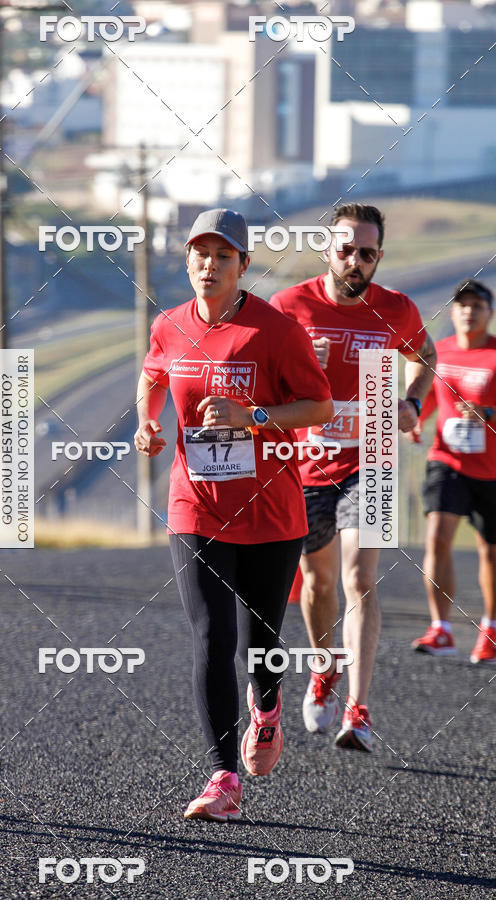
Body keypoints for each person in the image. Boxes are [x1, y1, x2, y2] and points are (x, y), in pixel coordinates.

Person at [134, 208, 333, 821]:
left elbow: (320, 406)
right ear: (187, 260)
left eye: (223, 256)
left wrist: (256, 417)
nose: (209, 265)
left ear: (243, 265)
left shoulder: (274, 330)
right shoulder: (168, 325)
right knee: (212, 635)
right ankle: (222, 777)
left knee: (261, 639)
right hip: (195, 504)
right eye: (200, 253)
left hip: (271, 508)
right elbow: (152, 375)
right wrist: (146, 421)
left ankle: (267, 707)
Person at [270, 203, 436, 752]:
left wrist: (412, 400)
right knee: (317, 583)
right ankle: (324, 668)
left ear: (379, 256)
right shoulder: (290, 306)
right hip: (306, 463)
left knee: (360, 579)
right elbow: (260, 382)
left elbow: (424, 354)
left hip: (375, 456)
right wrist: (296, 361)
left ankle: (358, 711)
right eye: (345, 249)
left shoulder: (397, 309)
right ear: (327, 249)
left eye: (367, 252)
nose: (355, 260)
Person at [410, 279, 496, 665]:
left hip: (491, 469)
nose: (468, 311)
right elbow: (426, 399)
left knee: (489, 552)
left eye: (477, 305)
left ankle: (490, 629)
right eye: (462, 305)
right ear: (452, 312)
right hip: (447, 461)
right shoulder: (438, 353)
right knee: (437, 538)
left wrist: (488, 414)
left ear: (488, 313)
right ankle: (440, 628)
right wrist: (416, 422)